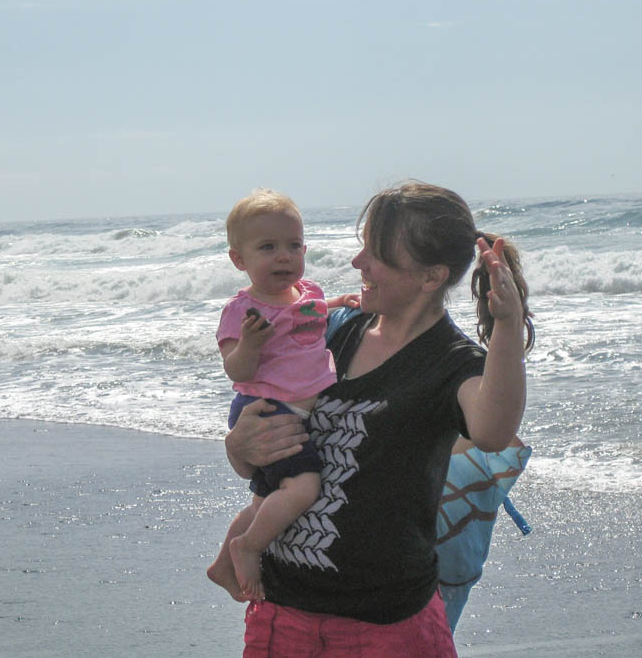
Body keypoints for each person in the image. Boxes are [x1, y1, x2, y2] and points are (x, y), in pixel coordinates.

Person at [225, 181, 534, 657]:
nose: (357, 263)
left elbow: (493, 431)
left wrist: (509, 327)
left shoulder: (451, 363)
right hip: (280, 607)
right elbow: (262, 440)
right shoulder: (332, 330)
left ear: (430, 277)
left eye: (376, 253)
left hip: (385, 628)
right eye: (362, 246)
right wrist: (238, 448)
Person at [207, 188, 357, 602]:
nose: (283, 256)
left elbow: (311, 318)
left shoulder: (308, 293)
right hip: (266, 408)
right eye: (268, 247)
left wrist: (339, 302)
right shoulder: (242, 312)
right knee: (304, 488)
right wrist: (250, 346)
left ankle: (223, 565)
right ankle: (248, 547)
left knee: (264, 499)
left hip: (292, 409)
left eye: (293, 246)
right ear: (240, 260)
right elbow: (235, 371)